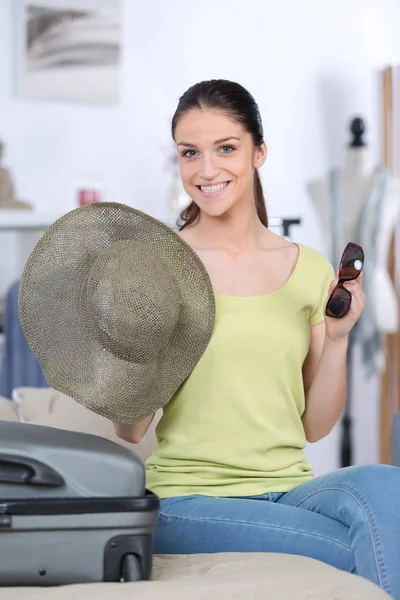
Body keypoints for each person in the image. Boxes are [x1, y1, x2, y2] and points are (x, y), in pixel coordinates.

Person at [113, 79, 400, 598]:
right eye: (189, 153)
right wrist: (142, 339)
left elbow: (314, 426)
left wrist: (336, 341)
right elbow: (130, 430)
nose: (206, 170)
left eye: (226, 148)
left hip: (289, 490)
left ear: (258, 152)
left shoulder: (308, 269)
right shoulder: (158, 268)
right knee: (356, 544)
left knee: (389, 487)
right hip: (185, 501)